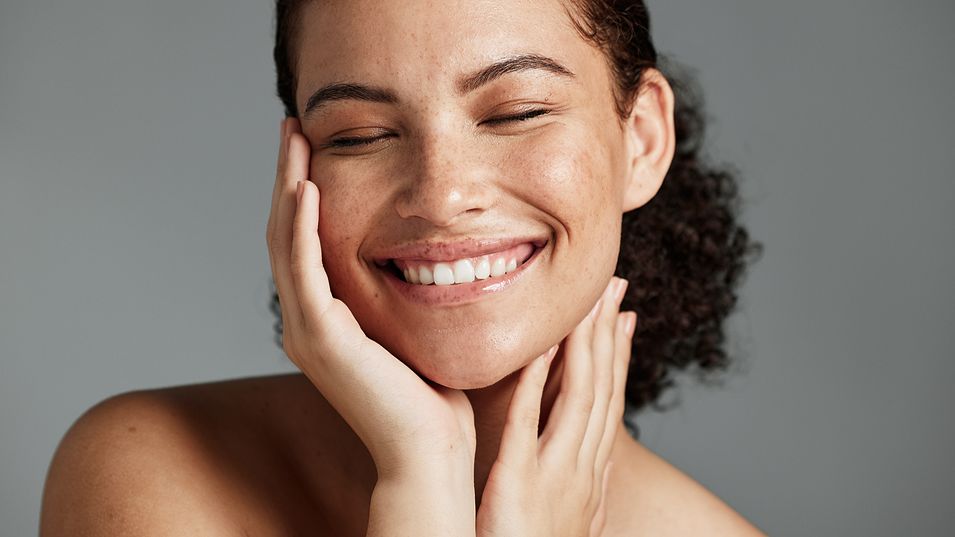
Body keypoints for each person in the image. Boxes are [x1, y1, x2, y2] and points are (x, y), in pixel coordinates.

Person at [40, 0, 763, 535]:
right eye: (360, 135)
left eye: (514, 113)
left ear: (641, 140)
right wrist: (420, 476)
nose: (441, 197)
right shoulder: (148, 471)